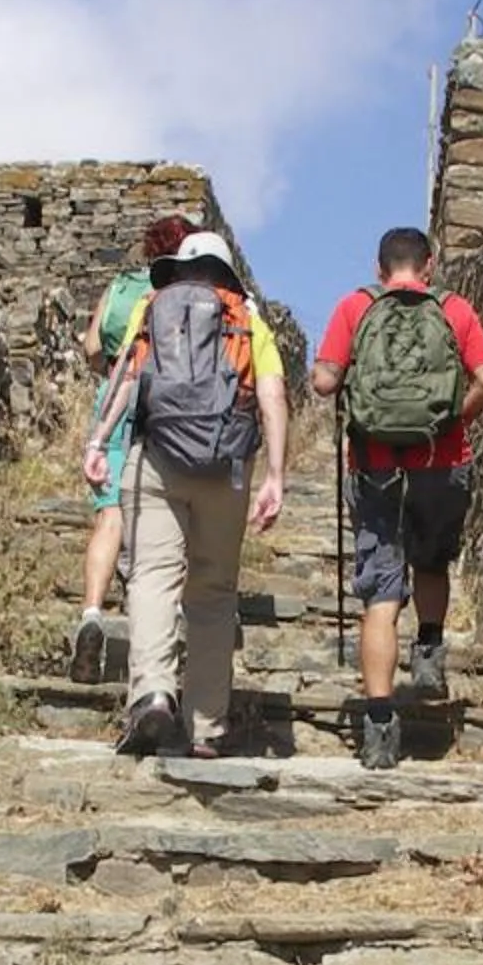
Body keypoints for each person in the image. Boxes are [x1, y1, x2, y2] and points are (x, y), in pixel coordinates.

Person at [83, 229, 288, 758]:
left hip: (157, 458)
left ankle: (153, 691)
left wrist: (99, 441)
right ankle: (206, 729)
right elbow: (272, 392)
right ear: (225, 272)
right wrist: (276, 475)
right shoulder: (247, 317)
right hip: (228, 465)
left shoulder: (154, 305)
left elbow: (126, 375)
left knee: (152, 574)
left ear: (180, 267)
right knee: (214, 593)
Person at [311, 226, 483, 772]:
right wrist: (447, 423)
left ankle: (377, 727)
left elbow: (325, 383)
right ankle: (430, 653)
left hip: (373, 468)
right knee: (432, 562)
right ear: (430, 265)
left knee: (380, 593)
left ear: (379, 267)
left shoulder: (355, 307)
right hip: (442, 465)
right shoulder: (455, 309)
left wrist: (329, 376)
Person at [69, 211, 191, 683]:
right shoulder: (183, 293)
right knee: (165, 518)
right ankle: (163, 627)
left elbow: (92, 348)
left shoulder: (120, 287)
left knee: (110, 517)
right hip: (166, 404)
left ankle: (92, 615)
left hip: (114, 399)